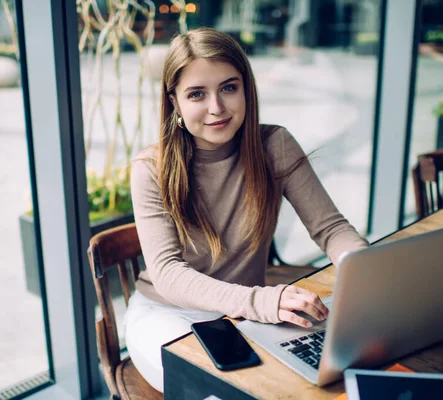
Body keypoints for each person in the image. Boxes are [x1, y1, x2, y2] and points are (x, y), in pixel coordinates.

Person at [124, 27, 369, 393]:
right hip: (167, 315)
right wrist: (261, 301)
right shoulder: (150, 169)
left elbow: (331, 229)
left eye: (228, 87)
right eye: (196, 94)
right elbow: (168, 274)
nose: (217, 108)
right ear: (174, 102)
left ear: (246, 88)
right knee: (221, 393)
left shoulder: (276, 145)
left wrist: (368, 273)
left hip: (244, 313)